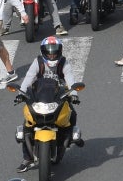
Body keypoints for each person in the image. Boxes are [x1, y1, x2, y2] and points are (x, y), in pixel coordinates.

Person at [15, 37, 83, 172]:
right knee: (28, 123)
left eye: (54, 52)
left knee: (72, 114)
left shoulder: (64, 63)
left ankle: (72, 137)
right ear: (43, 52)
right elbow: (29, 77)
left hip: (59, 95)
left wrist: (74, 94)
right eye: (49, 53)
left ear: (60, 52)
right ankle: (27, 159)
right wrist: (21, 93)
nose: (52, 55)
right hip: (40, 96)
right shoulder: (38, 62)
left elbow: (70, 78)